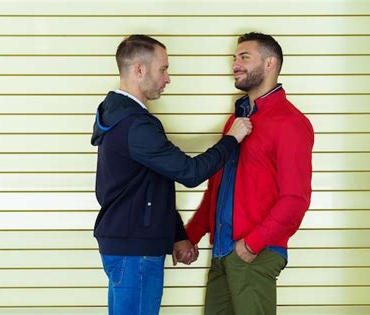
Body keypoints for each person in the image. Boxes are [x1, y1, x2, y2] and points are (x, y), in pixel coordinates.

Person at [91, 34, 252, 315]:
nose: (167, 79)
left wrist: (178, 234)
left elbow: (154, 183)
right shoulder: (135, 126)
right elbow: (189, 173)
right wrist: (231, 139)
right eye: (163, 69)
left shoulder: (119, 116)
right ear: (140, 69)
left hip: (129, 244)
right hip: (135, 251)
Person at [185, 32, 314, 315]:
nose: (235, 64)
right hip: (221, 252)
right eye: (234, 58)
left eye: (244, 57)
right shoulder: (237, 119)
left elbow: (296, 199)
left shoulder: (290, 123)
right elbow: (217, 188)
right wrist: (190, 235)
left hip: (255, 253)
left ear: (270, 64)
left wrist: (252, 245)